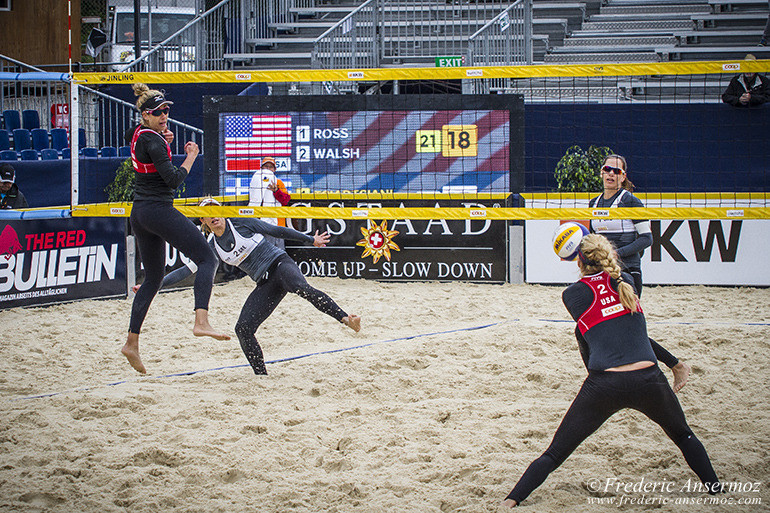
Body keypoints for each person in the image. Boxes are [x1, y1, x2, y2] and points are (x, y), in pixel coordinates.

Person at [501, 234, 721, 508]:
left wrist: (592, 381)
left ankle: (511, 500)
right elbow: (631, 335)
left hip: (605, 384)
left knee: (555, 454)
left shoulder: (572, 295)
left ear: (578, 262)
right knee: (684, 435)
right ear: (610, 256)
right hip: (648, 378)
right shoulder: (625, 281)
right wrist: (673, 364)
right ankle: (717, 491)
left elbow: (594, 338)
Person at [159, 197, 361, 375]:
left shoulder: (240, 223)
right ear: (202, 221)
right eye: (206, 213)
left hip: (280, 264)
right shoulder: (210, 245)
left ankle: (346, 319)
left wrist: (311, 240)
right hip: (265, 282)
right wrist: (154, 285)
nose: (213, 215)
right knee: (243, 328)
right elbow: (186, 270)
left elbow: (276, 230)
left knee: (302, 288)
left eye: (215, 210)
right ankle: (261, 376)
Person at [121, 83, 228, 375]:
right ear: (145, 115)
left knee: (154, 277)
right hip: (157, 210)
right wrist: (192, 155)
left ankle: (131, 343)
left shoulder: (141, 134)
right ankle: (201, 321)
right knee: (208, 259)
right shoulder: (153, 140)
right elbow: (172, 181)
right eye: (158, 113)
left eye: (166, 111)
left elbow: (133, 138)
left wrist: (161, 137)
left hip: (140, 213)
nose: (165, 116)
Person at [589, 154, 690, 392]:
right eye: (607, 169)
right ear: (601, 173)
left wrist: (615, 253)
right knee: (597, 328)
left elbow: (647, 239)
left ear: (623, 177)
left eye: (617, 171)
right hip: (604, 273)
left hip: (629, 272)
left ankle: (675, 366)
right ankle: (602, 377)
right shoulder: (593, 203)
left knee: (627, 332)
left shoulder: (630, 201)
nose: (611, 174)